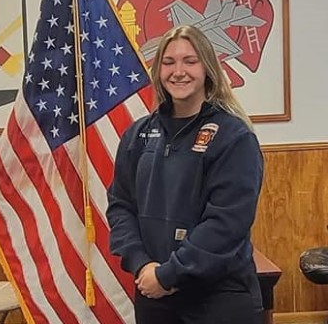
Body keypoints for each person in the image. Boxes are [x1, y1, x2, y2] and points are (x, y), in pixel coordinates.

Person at [106, 25, 264, 324]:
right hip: (153, 295)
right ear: (158, 71)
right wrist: (142, 267)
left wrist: (169, 274)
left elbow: (226, 224)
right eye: (169, 62)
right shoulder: (138, 135)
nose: (179, 71)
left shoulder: (234, 137)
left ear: (207, 68)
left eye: (190, 61)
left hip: (219, 299)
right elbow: (120, 206)